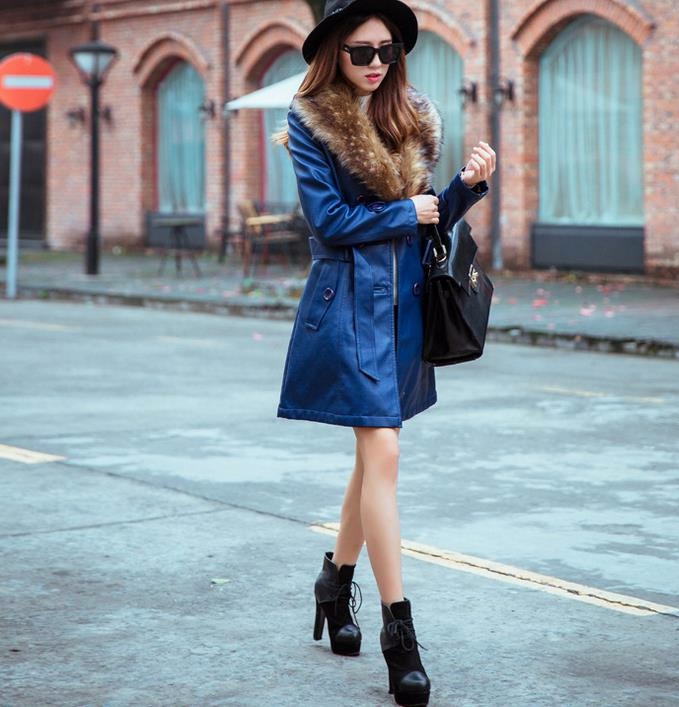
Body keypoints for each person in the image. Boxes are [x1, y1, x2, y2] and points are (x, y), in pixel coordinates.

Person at [275, 1, 496, 704]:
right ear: (333, 53)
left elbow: (425, 224)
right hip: (347, 308)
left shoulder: (410, 117)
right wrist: (409, 209)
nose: (375, 63)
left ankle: (332, 583)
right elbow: (330, 222)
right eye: (360, 51)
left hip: (403, 310)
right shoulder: (309, 120)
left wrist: (464, 188)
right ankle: (400, 636)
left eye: (387, 51)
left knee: (373, 458)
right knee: (385, 454)